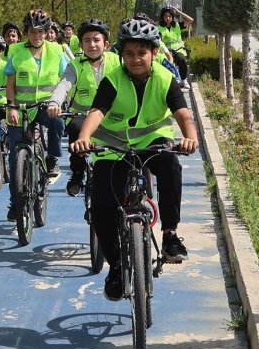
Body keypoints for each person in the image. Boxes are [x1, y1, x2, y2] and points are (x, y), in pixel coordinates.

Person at [70, 17, 198, 301]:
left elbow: (183, 113)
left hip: (153, 142)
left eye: (142, 52)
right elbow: (97, 111)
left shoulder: (165, 79)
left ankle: (170, 236)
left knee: (171, 167)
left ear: (154, 53)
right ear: (121, 54)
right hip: (113, 147)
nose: (135, 59)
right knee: (101, 206)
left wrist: (191, 136)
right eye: (129, 53)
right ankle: (116, 266)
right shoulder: (113, 79)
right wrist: (85, 137)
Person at [5, 9, 70, 220]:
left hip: (46, 106)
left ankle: (52, 158)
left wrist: (58, 102)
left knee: (57, 123)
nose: (37, 36)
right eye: (33, 31)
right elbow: (10, 84)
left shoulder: (56, 50)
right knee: (16, 156)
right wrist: (11, 107)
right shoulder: (16, 51)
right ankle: (16, 203)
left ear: (47, 32)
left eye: (41, 32)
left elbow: (64, 79)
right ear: (26, 32)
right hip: (21, 109)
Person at [47, 18, 121, 197]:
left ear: (106, 43)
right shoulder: (75, 65)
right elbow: (64, 85)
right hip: (81, 115)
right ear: (80, 44)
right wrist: (54, 103)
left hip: (111, 115)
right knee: (75, 130)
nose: (92, 45)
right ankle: (78, 174)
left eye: (97, 40)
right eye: (87, 41)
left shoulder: (117, 61)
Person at [159, 6, 194, 82]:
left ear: (172, 17)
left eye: (169, 16)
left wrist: (179, 12)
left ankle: (183, 80)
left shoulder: (177, 25)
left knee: (182, 61)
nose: (168, 18)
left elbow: (191, 20)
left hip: (178, 51)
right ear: (162, 17)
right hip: (166, 52)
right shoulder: (159, 28)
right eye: (165, 16)